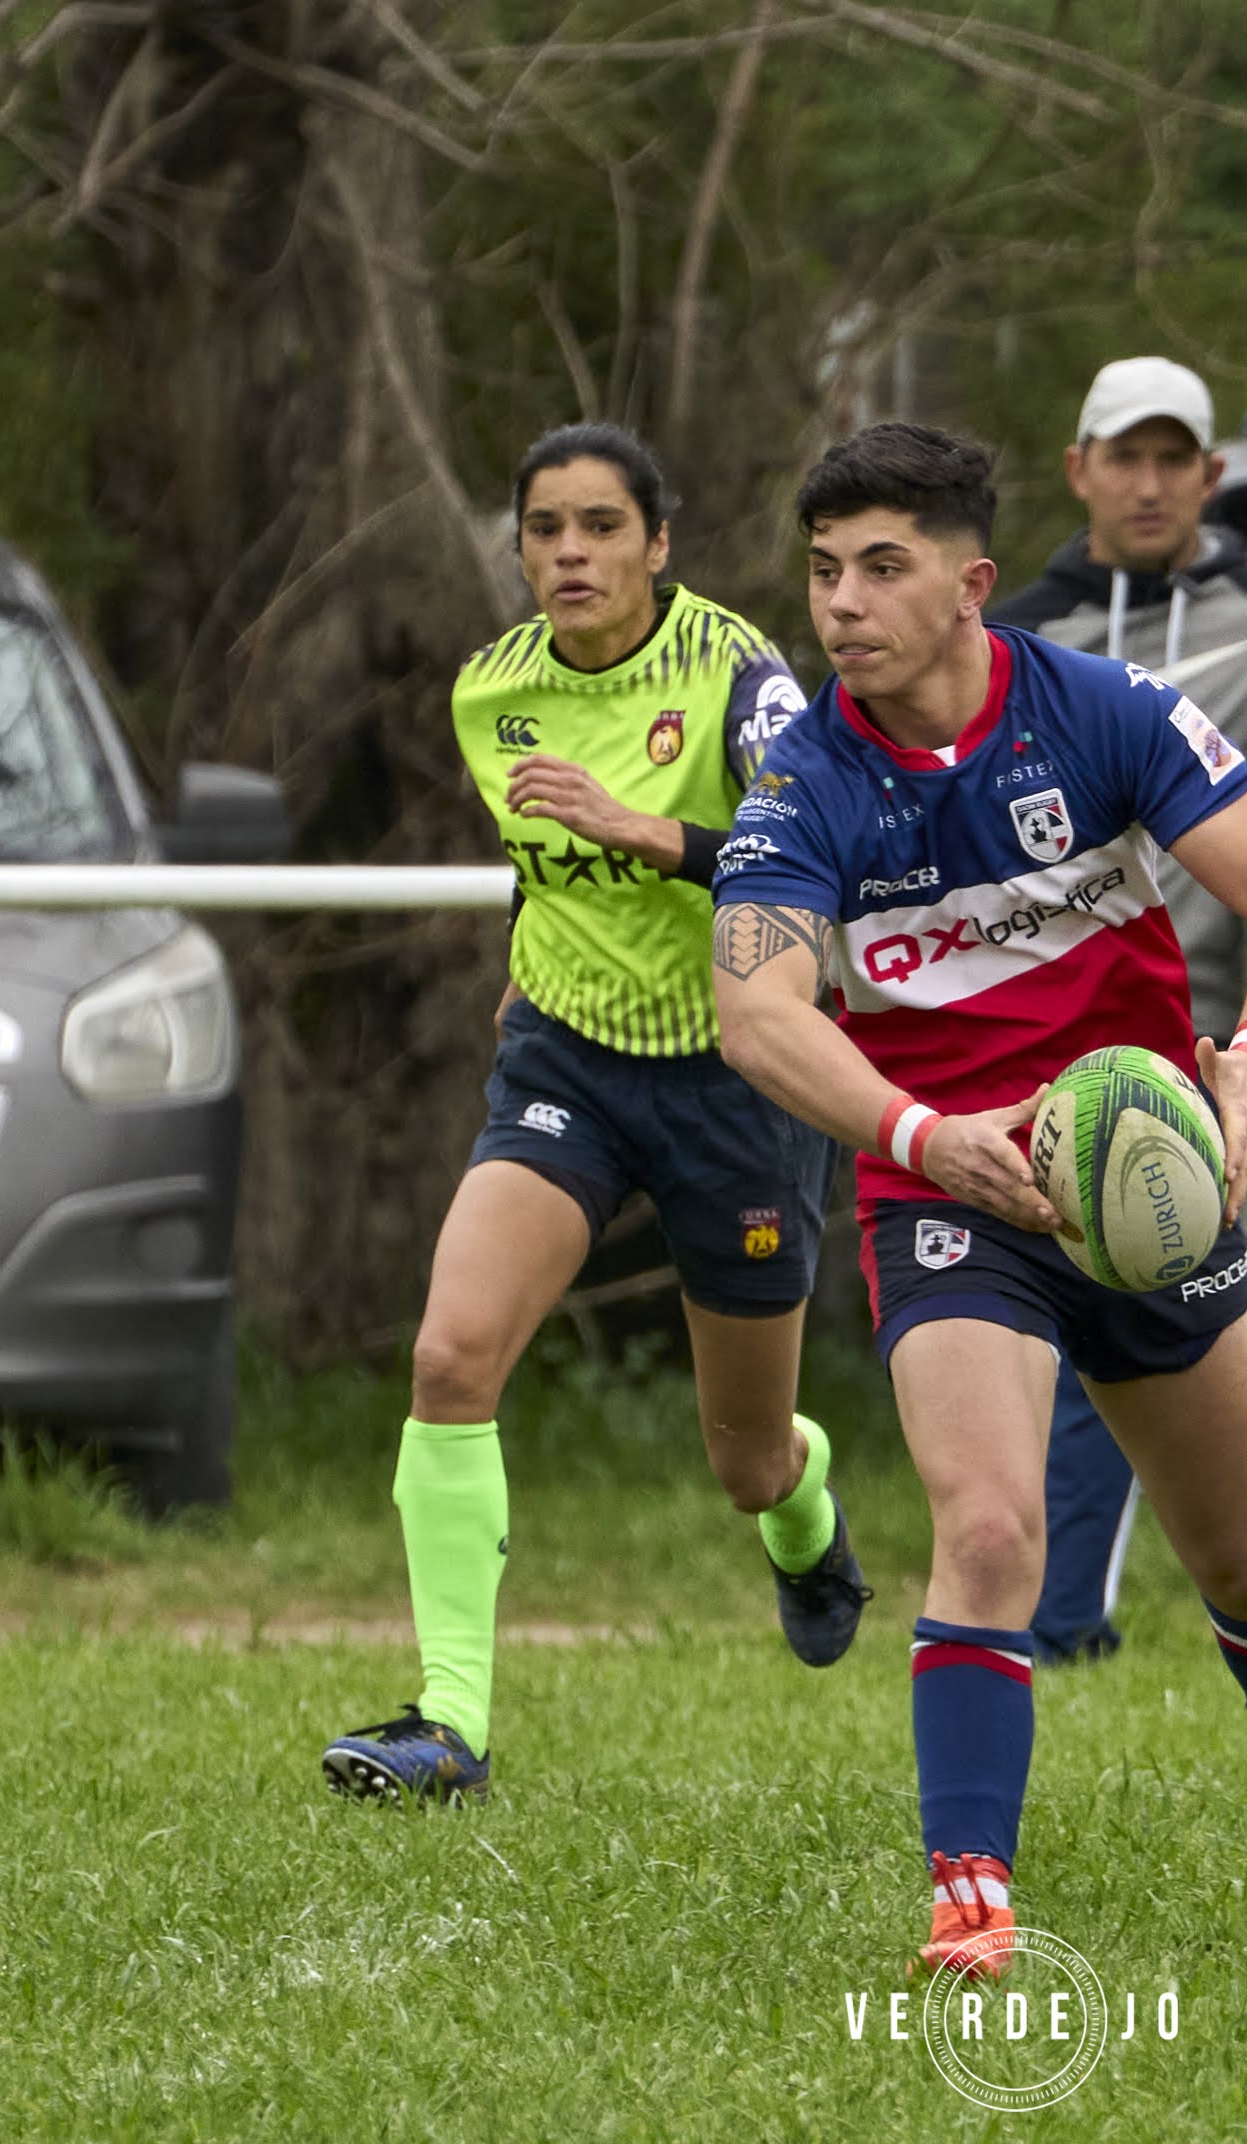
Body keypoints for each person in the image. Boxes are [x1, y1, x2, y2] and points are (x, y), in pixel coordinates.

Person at [709, 421, 1247, 1968]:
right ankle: (974, 1901)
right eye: (823, 571)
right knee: (988, 1529)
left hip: (1145, 1176)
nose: (841, 605)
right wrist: (914, 1133)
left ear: (971, 584)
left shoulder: (1100, 711)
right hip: (950, 1188)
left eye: (881, 568)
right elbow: (755, 1013)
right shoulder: (804, 780)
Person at [320, 424, 871, 1805]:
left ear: (658, 545)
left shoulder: (740, 676)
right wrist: (535, 944)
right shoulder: (488, 693)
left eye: (602, 528)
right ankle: (450, 1727)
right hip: (568, 1066)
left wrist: (657, 836)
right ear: (519, 549)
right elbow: (542, 860)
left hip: (735, 1081)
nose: (572, 553)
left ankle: (804, 1519)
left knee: (744, 1460)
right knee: (450, 1357)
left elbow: (826, 854)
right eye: (546, 529)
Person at [991, 355, 1247, 1664]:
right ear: (1078, 470)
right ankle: (1057, 1609)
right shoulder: (1011, 637)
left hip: (1211, 1030)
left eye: (1172, 458)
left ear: (1209, 477)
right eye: (1122, 456)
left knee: (1154, 1288)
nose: (1146, 481)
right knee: (1047, 1306)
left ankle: (1103, 1606)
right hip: (1037, 1020)